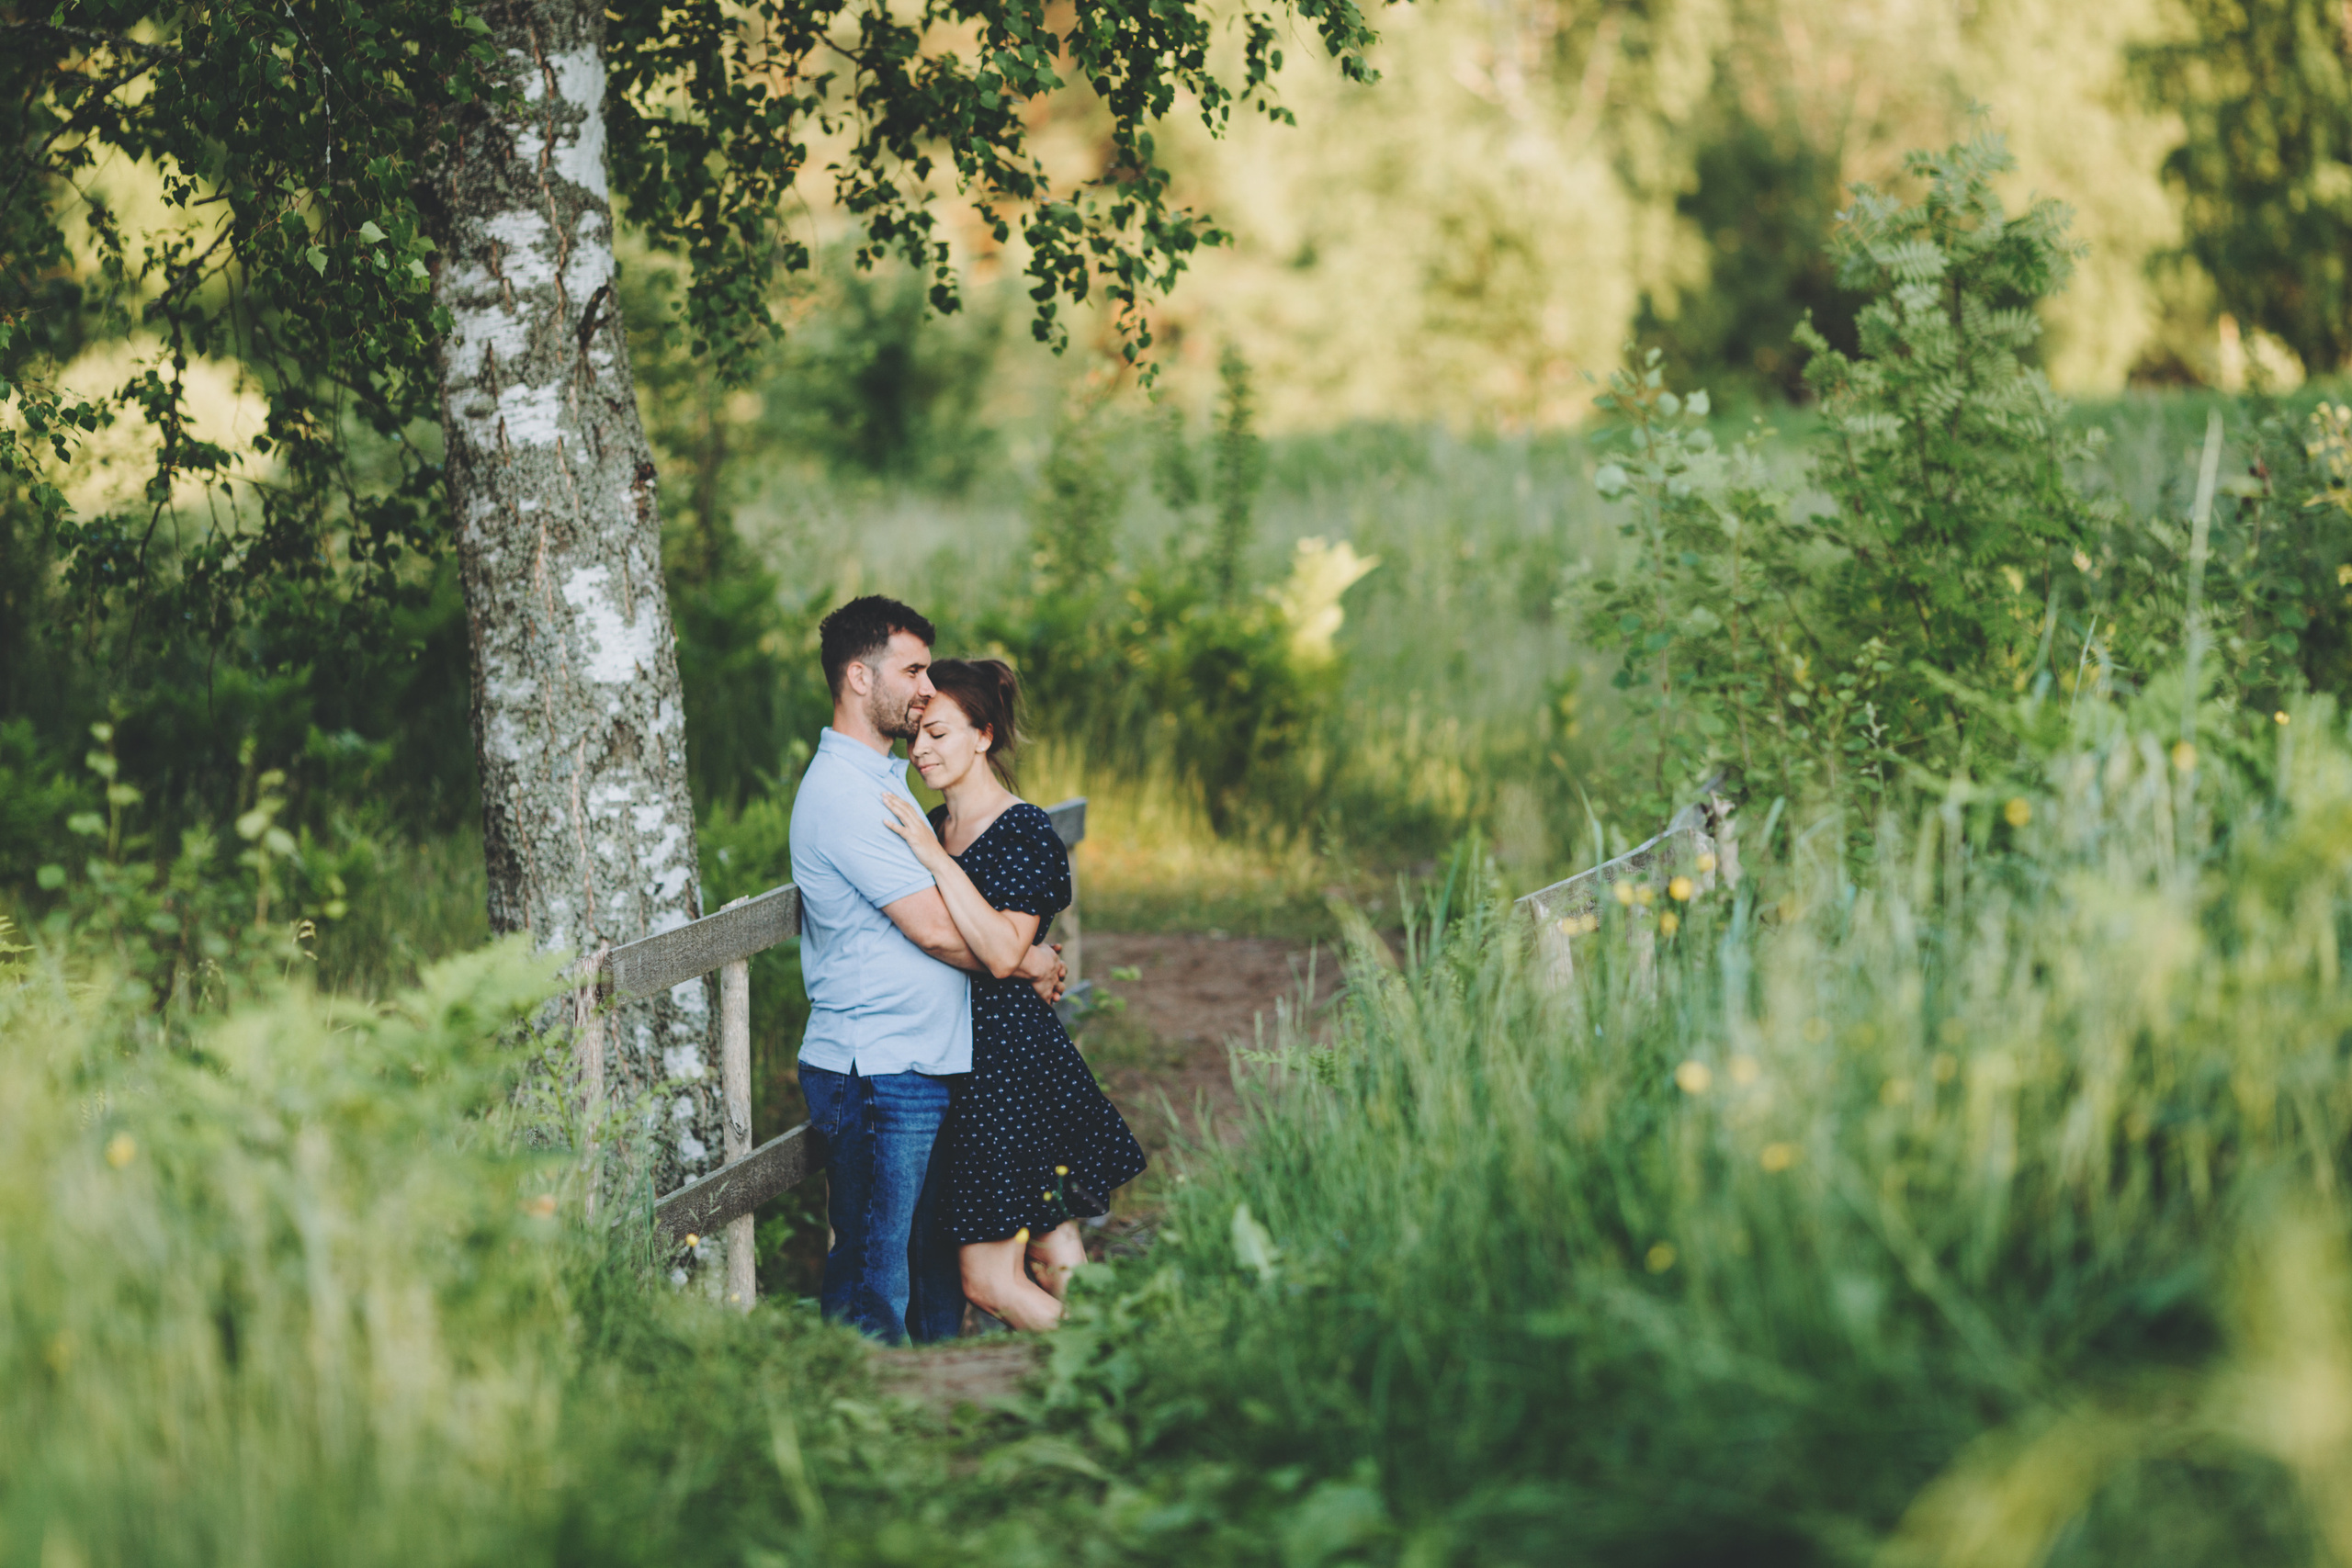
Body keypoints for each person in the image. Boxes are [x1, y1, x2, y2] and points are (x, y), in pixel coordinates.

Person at [790, 597, 1066, 1344]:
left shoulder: (882, 778)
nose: (924, 686)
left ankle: (934, 1402)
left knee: (932, 1279)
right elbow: (939, 931)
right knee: (874, 1278)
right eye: (911, 670)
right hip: (877, 1066)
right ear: (859, 676)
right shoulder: (845, 792)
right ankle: (865, 1406)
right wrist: (1027, 959)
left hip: (922, 1061)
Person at [881, 658, 1147, 1331]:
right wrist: (1032, 961)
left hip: (1008, 1068)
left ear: (984, 735)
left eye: (939, 733)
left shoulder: (1023, 830)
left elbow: (1001, 951)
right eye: (915, 736)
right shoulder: (935, 824)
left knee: (990, 1280)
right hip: (965, 1061)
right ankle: (1125, 1358)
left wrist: (935, 860)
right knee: (1055, 1253)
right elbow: (993, 950)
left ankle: (1120, 1362)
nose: (920, 750)